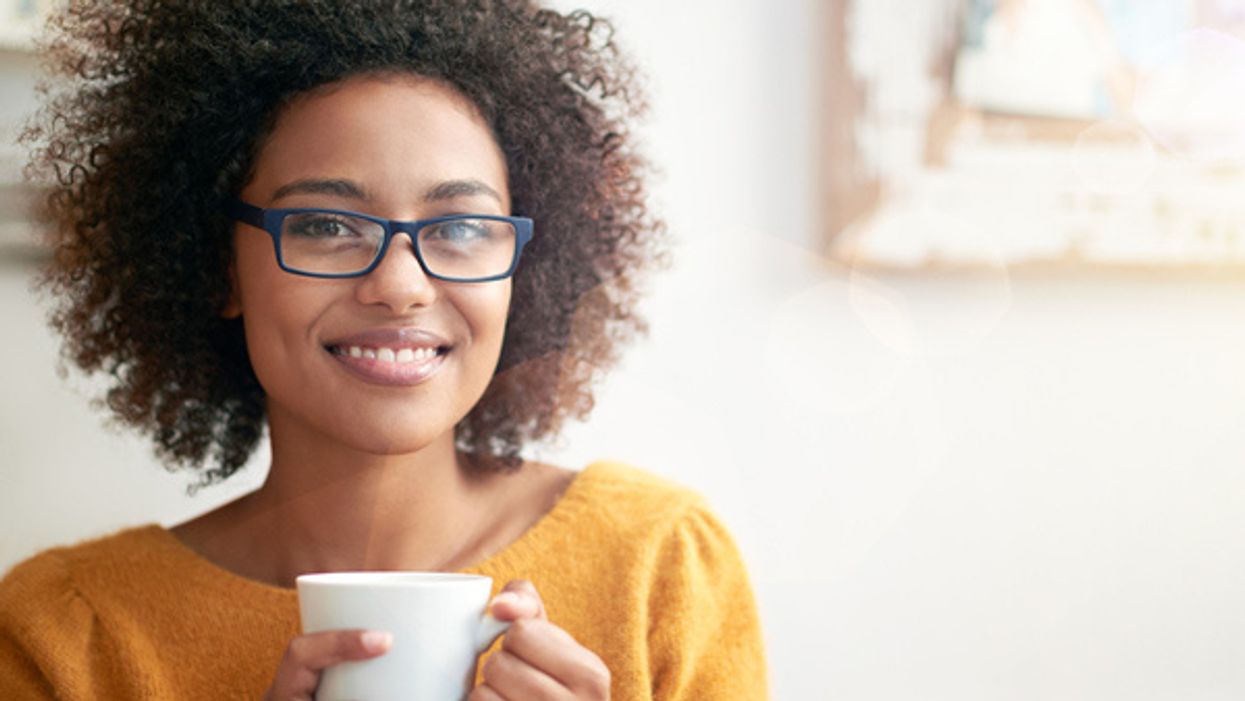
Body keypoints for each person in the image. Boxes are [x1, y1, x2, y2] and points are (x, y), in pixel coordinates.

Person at [0, 1, 768, 699]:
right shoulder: (68, 637)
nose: (399, 285)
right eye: (327, 225)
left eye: (461, 227)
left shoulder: (656, 567)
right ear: (217, 265)